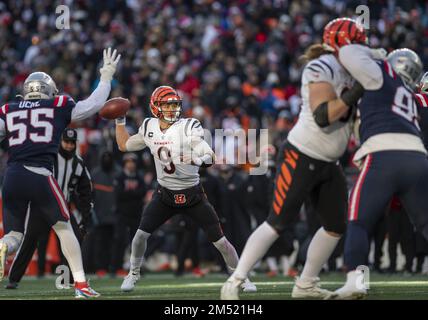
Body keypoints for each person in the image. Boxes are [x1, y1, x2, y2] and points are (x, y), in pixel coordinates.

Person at [221, 17, 366, 300]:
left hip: (329, 161)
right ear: (342, 46)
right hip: (301, 154)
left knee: (336, 226)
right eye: (357, 44)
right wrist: (359, 89)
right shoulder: (321, 66)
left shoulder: (352, 72)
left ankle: (306, 284)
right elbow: (324, 116)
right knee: (278, 221)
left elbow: (356, 119)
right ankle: (235, 281)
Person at [0, 47, 120, 298]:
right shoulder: (59, 104)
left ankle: (2, 246)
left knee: (13, 235)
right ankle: (81, 286)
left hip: (11, 176)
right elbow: (94, 105)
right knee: (64, 227)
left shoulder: (8, 108)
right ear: (48, 90)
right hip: (39, 174)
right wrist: (106, 76)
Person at [114, 85, 256, 293]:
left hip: (192, 194)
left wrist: (197, 158)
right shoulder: (149, 127)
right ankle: (133, 273)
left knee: (221, 242)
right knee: (140, 236)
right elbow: (124, 145)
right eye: (167, 105)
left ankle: (241, 277)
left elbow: (209, 156)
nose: (172, 110)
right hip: (165, 194)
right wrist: (119, 120)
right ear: (156, 107)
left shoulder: (189, 126)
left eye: (174, 105)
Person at [332, 46, 428, 299]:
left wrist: (375, 52)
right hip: (417, 155)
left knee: (359, 221)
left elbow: (348, 52)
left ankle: (355, 279)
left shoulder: (377, 78)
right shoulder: (413, 98)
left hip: (383, 153)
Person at [6, 128, 93, 288]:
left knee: (75, 237)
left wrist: (84, 219)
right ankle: (14, 279)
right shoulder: (49, 157)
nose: (68, 146)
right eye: (66, 142)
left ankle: (70, 279)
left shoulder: (78, 163)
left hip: (62, 207)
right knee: (29, 241)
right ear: (60, 141)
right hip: (41, 205)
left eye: (72, 143)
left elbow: (86, 192)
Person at [110, 153, 147, 276]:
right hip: (122, 214)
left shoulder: (139, 177)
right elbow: (119, 194)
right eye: (128, 162)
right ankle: (115, 267)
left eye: (133, 162)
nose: (131, 164)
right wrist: (134, 194)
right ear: (124, 164)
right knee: (119, 240)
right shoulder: (119, 177)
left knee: (136, 242)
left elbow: (143, 192)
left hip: (136, 214)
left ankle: (136, 268)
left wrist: (129, 193)